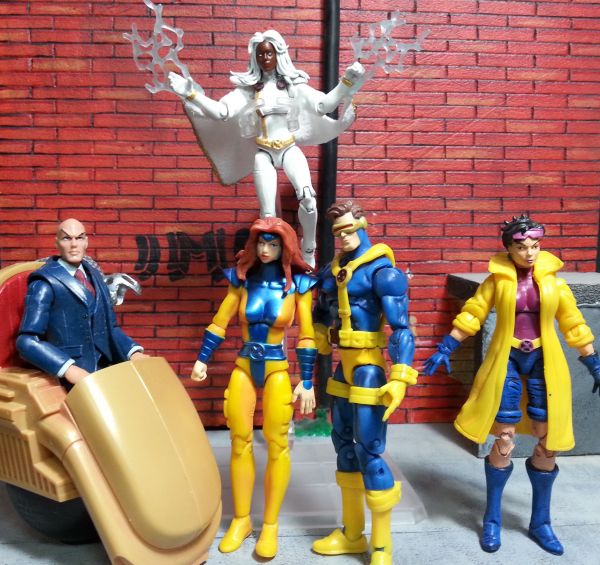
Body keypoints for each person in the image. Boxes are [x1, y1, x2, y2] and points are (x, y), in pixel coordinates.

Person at [424, 214, 600, 556]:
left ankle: (541, 522)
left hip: (543, 360)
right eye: (522, 247)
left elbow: (573, 323)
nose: (530, 253)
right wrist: (446, 347)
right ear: (509, 248)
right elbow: (473, 313)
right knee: (503, 438)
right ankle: (492, 518)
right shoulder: (497, 281)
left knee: (548, 441)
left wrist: (592, 360)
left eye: (535, 246)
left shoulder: (554, 284)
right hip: (507, 358)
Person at [168, 29, 365, 267]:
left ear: (278, 53)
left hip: (289, 148)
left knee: (308, 199)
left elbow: (323, 105)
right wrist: (191, 94)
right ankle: (271, 264)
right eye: (260, 54)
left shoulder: (292, 86)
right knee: (268, 216)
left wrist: (346, 82)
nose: (265, 58)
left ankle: (308, 249)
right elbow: (222, 112)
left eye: (269, 53)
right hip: (263, 154)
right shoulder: (249, 89)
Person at [191, 216, 317, 558]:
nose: (265, 249)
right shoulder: (241, 279)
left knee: (278, 444)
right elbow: (220, 322)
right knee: (239, 442)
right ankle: (241, 519)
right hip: (245, 365)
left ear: (285, 248)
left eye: (273, 244)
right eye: (261, 242)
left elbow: (307, 335)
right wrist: (202, 358)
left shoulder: (299, 285)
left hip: (277, 368)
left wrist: (307, 381)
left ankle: (270, 525)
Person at [311, 201, 416, 565]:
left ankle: (382, 545)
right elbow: (321, 309)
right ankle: (352, 534)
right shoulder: (332, 270)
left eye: (348, 229)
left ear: (363, 225)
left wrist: (400, 377)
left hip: (369, 366)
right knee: (343, 447)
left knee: (369, 450)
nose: (343, 237)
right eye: (337, 232)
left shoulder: (384, 273)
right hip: (342, 366)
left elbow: (401, 329)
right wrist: (320, 333)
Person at [16, 218, 146, 390]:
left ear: (86, 242)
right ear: (57, 242)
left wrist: (132, 352)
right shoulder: (44, 282)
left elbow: (110, 327)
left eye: (79, 238)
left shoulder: (94, 275)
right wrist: (68, 369)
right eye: (66, 238)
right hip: (72, 373)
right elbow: (26, 341)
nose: (74, 245)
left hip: (108, 368)